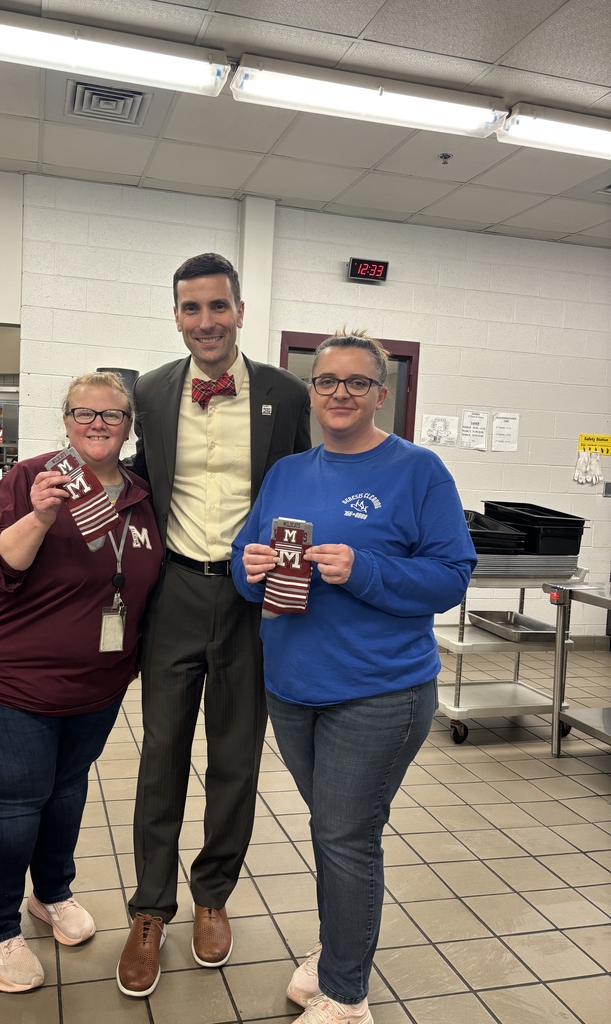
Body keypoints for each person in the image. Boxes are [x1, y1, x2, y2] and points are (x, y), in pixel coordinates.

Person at [232, 331, 476, 1024]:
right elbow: (244, 557)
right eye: (326, 382)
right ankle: (340, 948)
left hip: (378, 693)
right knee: (337, 830)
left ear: (381, 393)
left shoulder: (418, 471)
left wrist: (362, 570)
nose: (339, 394)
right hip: (293, 688)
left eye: (356, 383)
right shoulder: (288, 472)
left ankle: (345, 995)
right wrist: (245, 572)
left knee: (344, 836)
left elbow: (452, 576)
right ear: (312, 391)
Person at [116, 252, 311, 997]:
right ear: (176, 316)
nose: (206, 322)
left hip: (252, 601)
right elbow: (132, 470)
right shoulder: (153, 390)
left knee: (236, 757)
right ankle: (150, 909)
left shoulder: (288, 394)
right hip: (173, 593)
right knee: (161, 753)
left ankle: (212, 895)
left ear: (239, 309)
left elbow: (305, 485)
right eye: (191, 309)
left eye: (218, 307)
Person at [0, 371, 163, 993]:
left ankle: (51, 893)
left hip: (95, 682)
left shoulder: (142, 494)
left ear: (129, 426)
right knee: (12, 804)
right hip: (7, 679)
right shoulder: (33, 478)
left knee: (66, 790)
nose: (98, 424)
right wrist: (40, 516)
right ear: (65, 419)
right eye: (84, 413)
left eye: (112, 415)